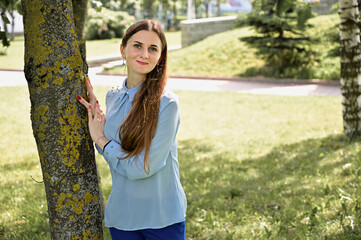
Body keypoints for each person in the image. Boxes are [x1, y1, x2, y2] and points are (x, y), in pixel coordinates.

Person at [77, 19, 187, 240]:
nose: (144, 54)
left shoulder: (167, 104)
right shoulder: (113, 96)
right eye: (137, 45)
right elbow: (111, 150)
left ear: (160, 57)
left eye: (153, 49)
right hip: (122, 217)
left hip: (162, 218)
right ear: (123, 49)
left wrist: (102, 141)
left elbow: (143, 168)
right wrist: (98, 123)